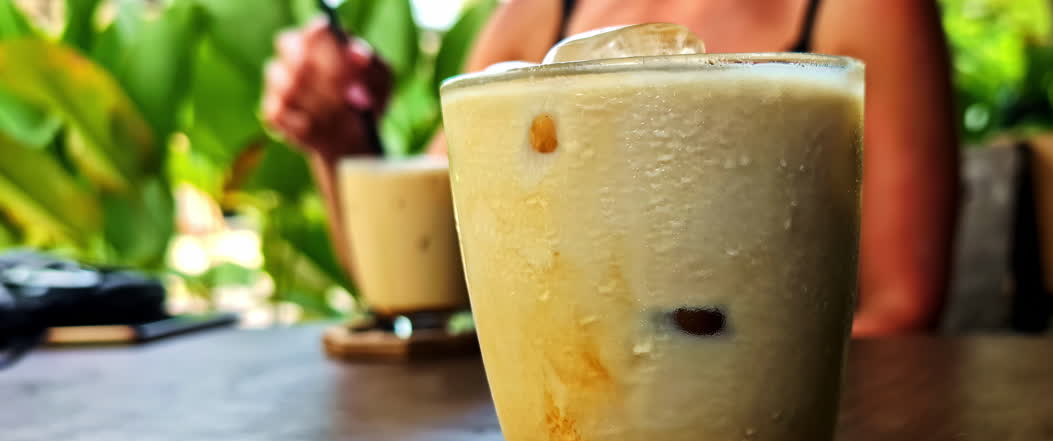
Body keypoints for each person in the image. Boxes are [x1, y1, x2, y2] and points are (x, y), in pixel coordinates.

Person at [263, 0, 958, 335]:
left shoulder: (867, 9)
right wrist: (340, 139)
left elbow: (900, 306)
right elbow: (428, 270)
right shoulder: (539, 15)